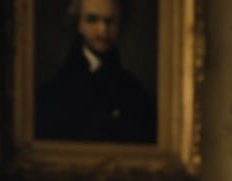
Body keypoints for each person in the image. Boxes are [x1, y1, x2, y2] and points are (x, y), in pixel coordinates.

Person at [36, 0, 157, 145]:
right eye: (92, 20)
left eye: (110, 21)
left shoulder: (137, 93)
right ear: (79, 24)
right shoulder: (52, 93)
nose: (102, 30)